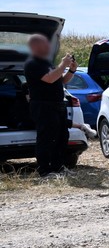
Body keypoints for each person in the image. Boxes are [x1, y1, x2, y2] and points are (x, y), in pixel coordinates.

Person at [23, 34, 75, 178]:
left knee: (61, 137)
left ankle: (58, 167)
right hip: (43, 106)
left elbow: (61, 80)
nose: (48, 46)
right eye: (44, 44)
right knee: (46, 138)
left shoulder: (47, 63)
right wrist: (63, 65)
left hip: (58, 104)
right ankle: (45, 170)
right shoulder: (32, 63)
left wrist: (71, 70)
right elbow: (50, 79)